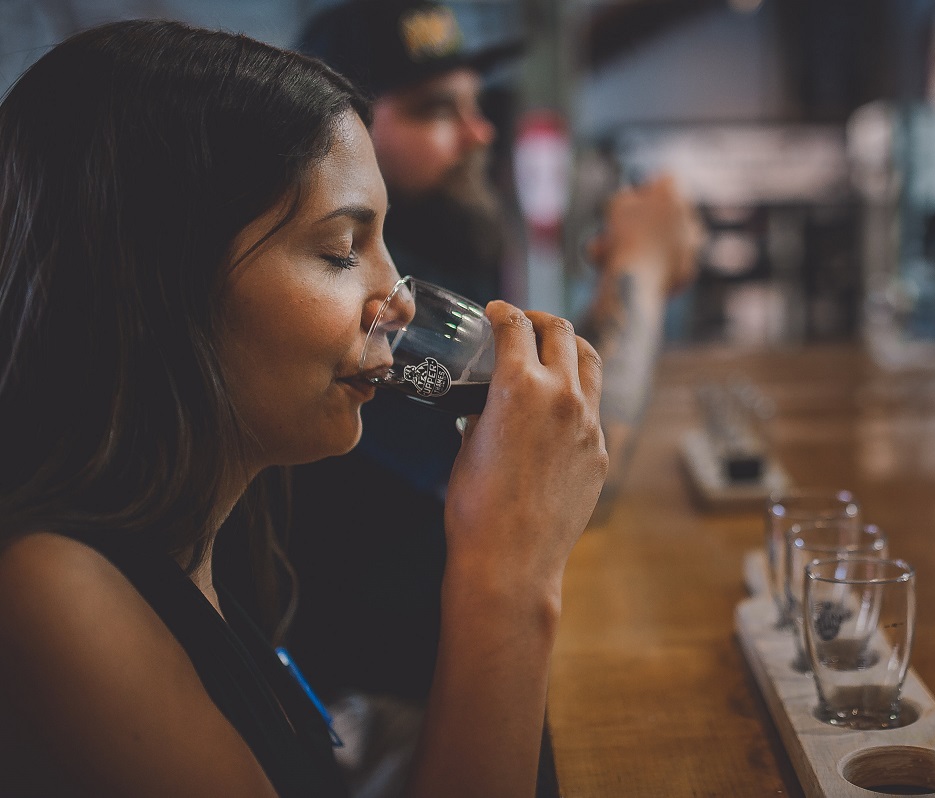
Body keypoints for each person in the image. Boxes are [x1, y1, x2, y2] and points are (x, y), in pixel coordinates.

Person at [0, 18, 606, 798]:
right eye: (340, 251)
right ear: (159, 281)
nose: (393, 299)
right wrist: (509, 577)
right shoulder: (52, 591)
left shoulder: (210, 535)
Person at [238, 2, 702, 792]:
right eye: (432, 110)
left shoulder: (418, 264)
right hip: (395, 704)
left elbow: (534, 412)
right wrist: (643, 276)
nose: (480, 133)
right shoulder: (355, 312)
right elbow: (575, 462)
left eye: (475, 106)